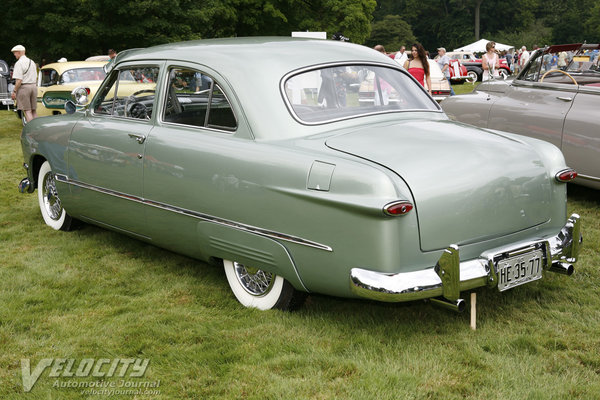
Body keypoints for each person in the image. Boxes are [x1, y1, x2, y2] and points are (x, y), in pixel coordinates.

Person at [10, 44, 37, 122]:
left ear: (19, 52)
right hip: (33, 86)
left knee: (27, 111)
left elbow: (19, 80)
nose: (14, 55)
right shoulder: (32, 62)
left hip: (24, 88)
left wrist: (14, 91)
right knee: (33, 110)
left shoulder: (19, 63)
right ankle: (38, 130)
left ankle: (31, 131)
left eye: (15, 53)